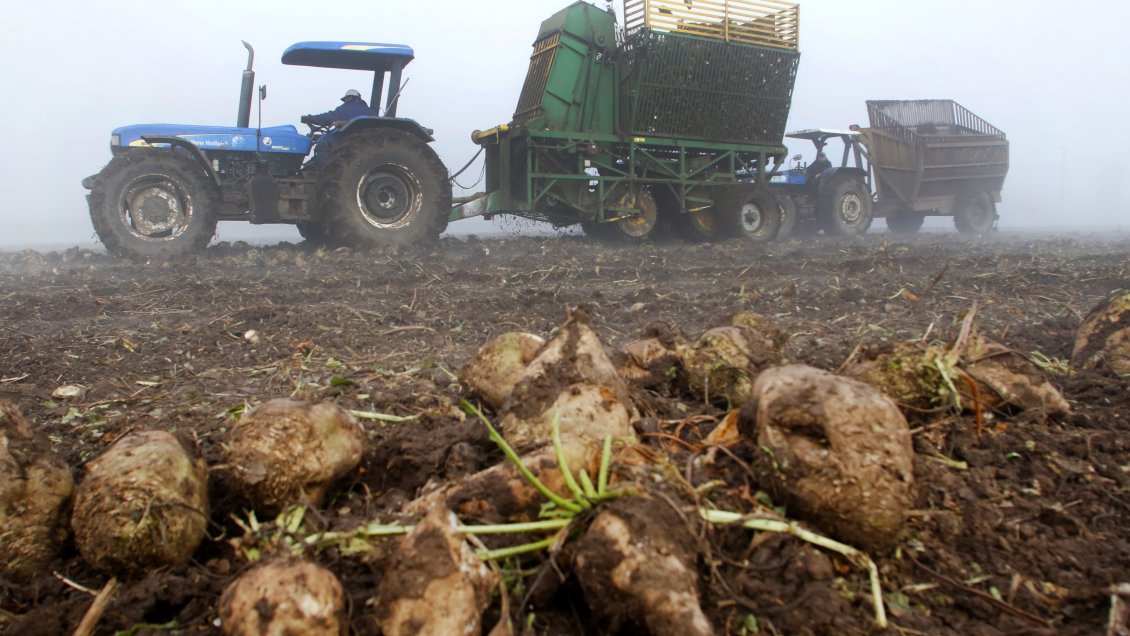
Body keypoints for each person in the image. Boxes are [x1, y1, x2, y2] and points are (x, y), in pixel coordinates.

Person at [300, 89, 378, 168]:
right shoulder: (370, 111)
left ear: (350, 98)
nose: (345, 101)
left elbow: (329, 117)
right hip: (364, 141)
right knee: (323, 138)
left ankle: (323, 171)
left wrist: (310, 118)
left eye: (346, 99)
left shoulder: (347, 108)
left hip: (346, 138)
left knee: (322, 145)